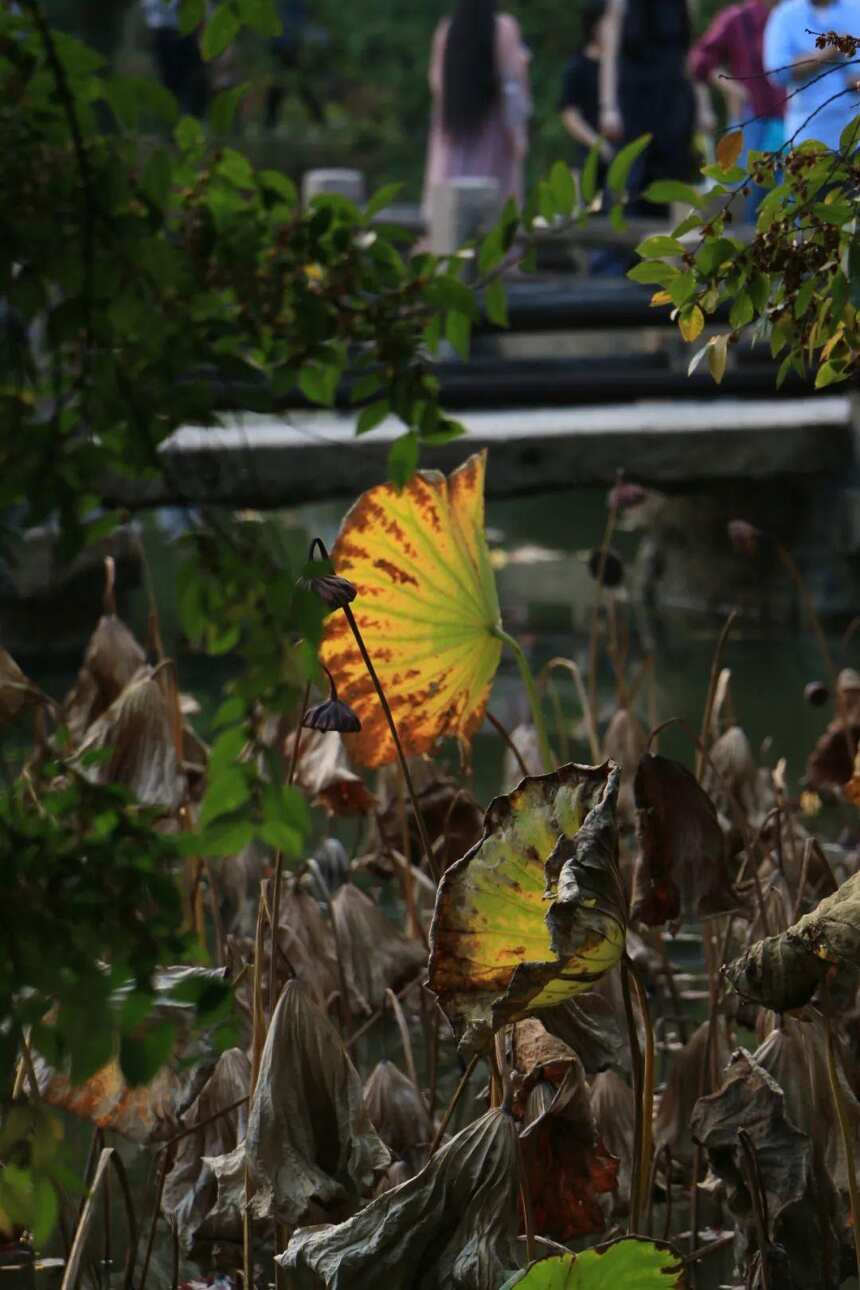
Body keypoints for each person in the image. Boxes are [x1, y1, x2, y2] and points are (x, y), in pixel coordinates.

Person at [422, 0, 531, 215]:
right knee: (493, 217)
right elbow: (512, 89)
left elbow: (437, 85)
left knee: (449, 219)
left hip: (452, 135)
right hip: (492, 136)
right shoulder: (504, 28)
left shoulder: (447, 29)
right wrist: (518, 136)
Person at [599, 0, 699, 214]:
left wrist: (703, 104)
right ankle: (617, 245)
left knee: (668, 180)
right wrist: (608, 106)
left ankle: (664, 244)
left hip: (672, 98)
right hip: (632, 99)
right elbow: (609, 54)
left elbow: (689, 54)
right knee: (628, 178)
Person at [690, 0, 784, 220]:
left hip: (786, 120)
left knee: (781, 198)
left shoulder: (794, 16)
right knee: (742, 195)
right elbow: (700, 60)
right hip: (749, 118)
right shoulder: (737, 18)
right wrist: (731, 86)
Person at [764, 0, 860, 151]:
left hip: (856, 134)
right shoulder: (786, 14)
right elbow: (778, 72)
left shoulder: (856, 8)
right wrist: (825, 55)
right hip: (810, 137)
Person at [559, 0, 614, 181]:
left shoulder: (627, 67)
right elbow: (570, 114)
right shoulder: (577, 66)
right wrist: (598, 144)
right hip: (590, 159)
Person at [140, 0, 208, 119]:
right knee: (175, 83)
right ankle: (178, 121)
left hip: (179, 32)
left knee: (186, 81)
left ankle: (185, 119)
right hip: (169, 33)